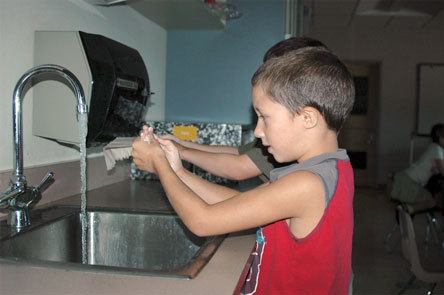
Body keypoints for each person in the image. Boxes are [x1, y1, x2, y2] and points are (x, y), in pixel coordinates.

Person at [132, 46, 355, 294]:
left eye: (264, 117)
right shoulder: (331, 168)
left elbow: (202, 221)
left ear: (307, 118)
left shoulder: (306, 184)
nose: (258, 131)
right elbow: (242, 203)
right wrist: (179, 172)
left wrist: (160, 166)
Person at [162, 37, 329, 183]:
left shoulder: (289, 146)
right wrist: (180, 144)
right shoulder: (278, 134)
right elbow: (238, 152)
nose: (257, 131)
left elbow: (238, 167)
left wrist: (180, 153)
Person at [391, 123, 444, 208]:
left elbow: (435, 168)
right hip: (410, 182)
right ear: (440, 138)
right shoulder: (437, 150)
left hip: (408, 178)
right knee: (432, 201)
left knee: (429, 199)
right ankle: (407, 211)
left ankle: (406, 211)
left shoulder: (434, 147)